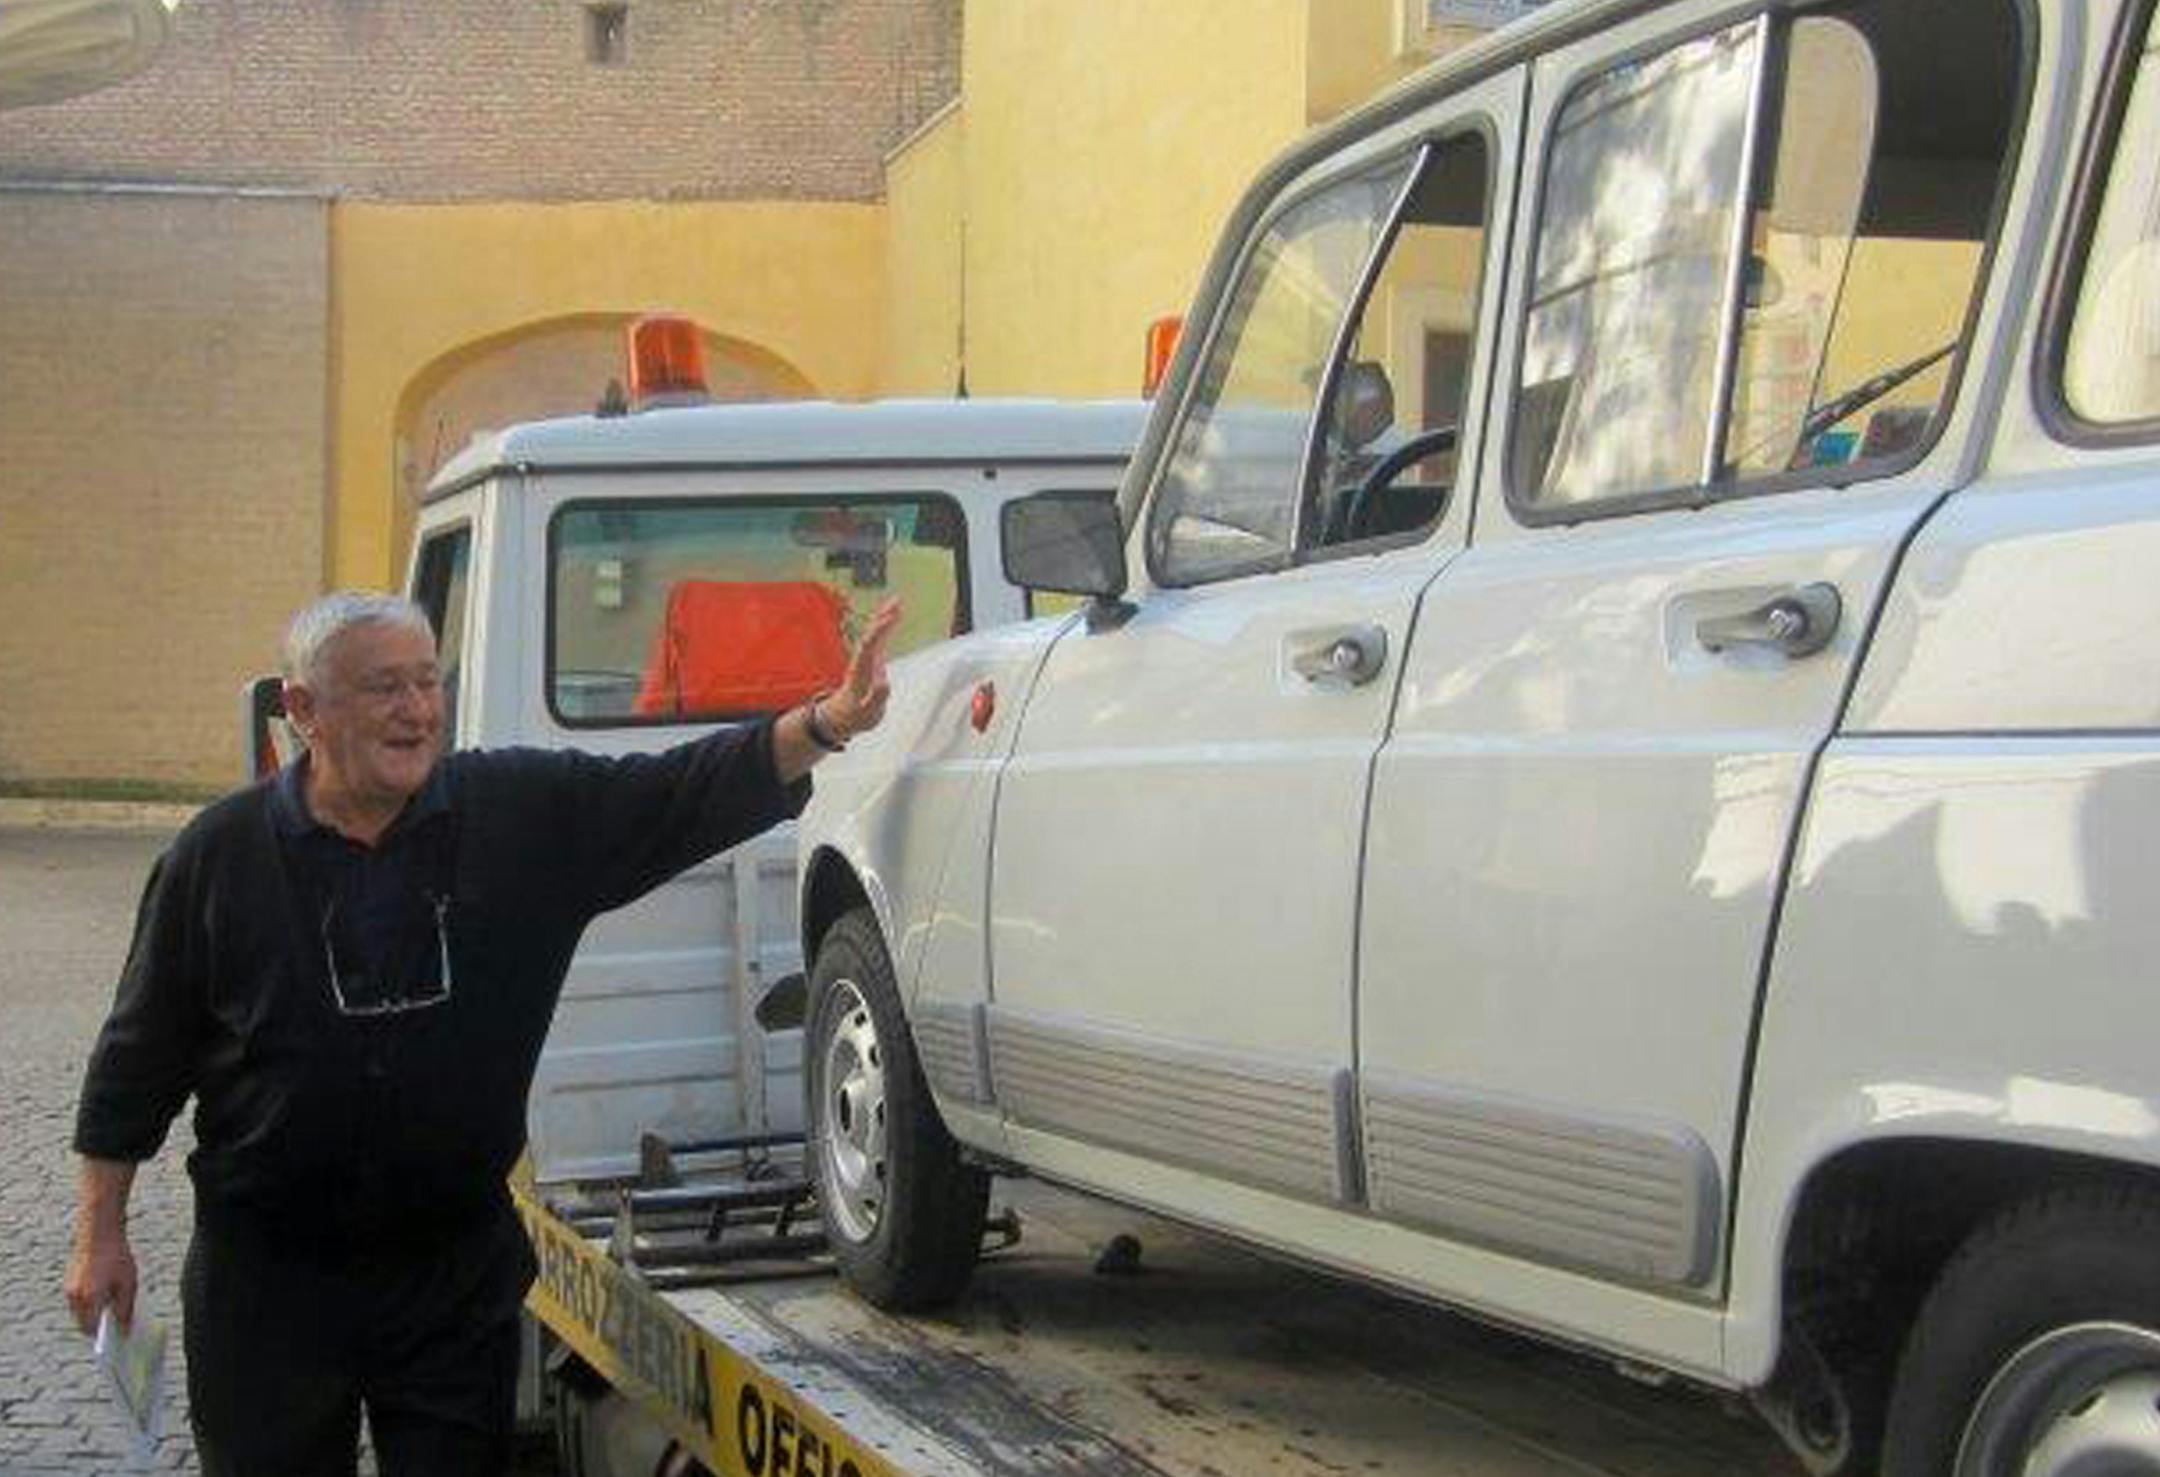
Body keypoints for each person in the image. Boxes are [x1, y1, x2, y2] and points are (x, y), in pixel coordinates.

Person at [63, 589, 899, 1477]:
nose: (416, 710)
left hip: (449, 1274)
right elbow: (136, 1059)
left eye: (427, 683)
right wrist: (98, 1234)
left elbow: (673, 790)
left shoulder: (521, 814)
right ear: (303, 709)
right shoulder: (216, 858)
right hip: (267, 1280)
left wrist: (827, 721)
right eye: (383, 687)